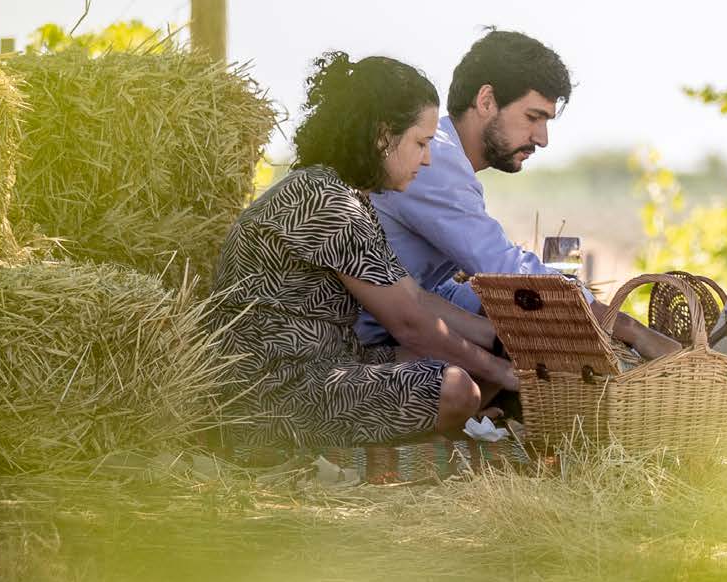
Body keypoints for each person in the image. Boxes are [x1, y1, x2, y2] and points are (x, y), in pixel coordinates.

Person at [212, 50, 516, 452]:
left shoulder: (341, 193)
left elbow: (412, 295)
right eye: (420, 143)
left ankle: (429, 434)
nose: (427, 159)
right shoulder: (327, 202)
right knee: (458, 386)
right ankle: (428, 436)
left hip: (322, 366)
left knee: (471, 367)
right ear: (382, 135)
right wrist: (507, 373)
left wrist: (497, 339)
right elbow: (409, 323)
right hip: (268, 396)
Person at [361, 29, 675, 360]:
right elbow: (505, 269)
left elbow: (432, 289)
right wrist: (630, 329)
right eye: (532, 117)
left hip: (398, 326)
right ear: (486, 101)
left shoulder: (444, 157)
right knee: (525, 332)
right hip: (363, 346)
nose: (542, 138)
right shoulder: (434, 160)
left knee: (515, 317)